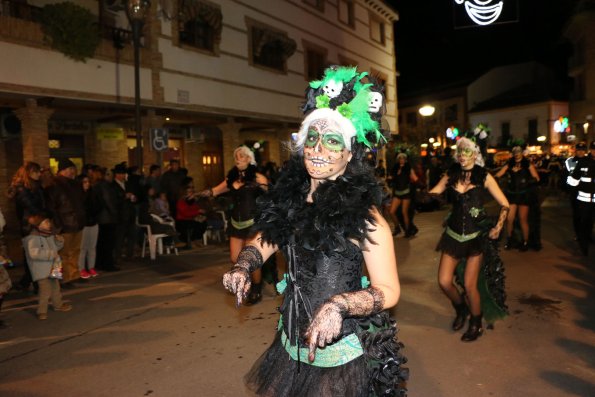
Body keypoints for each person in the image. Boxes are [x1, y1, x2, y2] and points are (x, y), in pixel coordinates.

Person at [223, 66, 407, 395]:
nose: (317, 149)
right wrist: (244, 264)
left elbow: (389, 290)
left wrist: (339, 305)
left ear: (351, 152)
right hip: (290, 340)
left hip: (342, 352)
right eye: (312, 137)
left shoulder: (367, 217)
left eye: (332, 140)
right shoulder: (291, 200)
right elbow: (269, 237)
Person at [430, 137, 509, 342]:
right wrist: (424, 196)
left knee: (469, 285)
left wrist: (498, 227)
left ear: (475, 155)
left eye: (466, 153)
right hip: (453, 236)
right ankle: (461, 309)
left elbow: (505, 204)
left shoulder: (484, 176)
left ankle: (476, 322)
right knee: (444, 281)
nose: (462, 157)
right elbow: (435, 192)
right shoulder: (452, 173)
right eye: (460, 153)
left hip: (475, 238)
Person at [200, 145, 268, 304]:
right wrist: (198, 194)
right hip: (235, 223)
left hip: (253, 223)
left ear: (249, 159)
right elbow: (215, 191)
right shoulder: (231, 178)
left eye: (242, 156)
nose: (238, 159)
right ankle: (248, 282)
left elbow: (271, 197)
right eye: (236, 156)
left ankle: (256, 289)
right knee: (235, 258)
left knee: (251, 258)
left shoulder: (258, 178)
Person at [45, 159, 86, 286]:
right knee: (63, 253)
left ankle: (74, 274)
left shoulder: (75, 184)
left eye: (73, 169)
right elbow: (52, 206)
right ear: (61, 170)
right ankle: (64, 278)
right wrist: (58, 224)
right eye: (69, 169)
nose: (72, 171)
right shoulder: (54, 185)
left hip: (77, 222)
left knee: (75, 250)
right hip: (65, 224)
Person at [22, 215, 73, 320]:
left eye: (48, 222)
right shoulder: (32, 238)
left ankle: (58, 305)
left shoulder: (49, 235)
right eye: (45, 222)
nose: (49, 224)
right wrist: (50, 254)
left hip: (54, 265)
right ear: (37, 226)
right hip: (42, 269)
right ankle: (41, 310)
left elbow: (57, 248)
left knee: (55, 287)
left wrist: (59, 241)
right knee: (45, 290)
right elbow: (34, 254)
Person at [7, 161, 47, 291]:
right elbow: (31, 206)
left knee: (34, 255)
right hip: (30, 225)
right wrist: (42, 218)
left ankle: (27, 281)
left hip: (37, 223)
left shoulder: (35, 186)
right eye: (37, 171)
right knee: (32, 255)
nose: (39, 174)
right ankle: (35, 284)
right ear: (29, 173)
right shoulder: (22, 188)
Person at [494, 146, 540, 251]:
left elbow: (537, 178)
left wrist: (529, 182)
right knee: (509, 219)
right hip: (512, 194)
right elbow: (499, 174)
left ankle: (525, 242)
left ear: (522, 153)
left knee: (523, 219)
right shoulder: (509, 163)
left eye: (518, 152)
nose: (517, 154)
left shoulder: (527, 163)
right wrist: (494, 179)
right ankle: (510, 240)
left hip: (524, 194)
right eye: (515, 152)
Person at [567, 141, 595, 256]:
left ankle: (587, 238)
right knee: (583, 221)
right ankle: (583, 245)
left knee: (590, 222)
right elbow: (573, 180)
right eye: (593, 149)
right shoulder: (583, 162)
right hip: (583, 199)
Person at [93, 166, 120, 272]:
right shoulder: (104, 186)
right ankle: (108, 264)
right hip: (107, 218)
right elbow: (108, 200)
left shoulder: (96, 185)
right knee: (108, 243)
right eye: (109, 174)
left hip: (101, 218)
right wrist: (115, 213)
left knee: (101, 243)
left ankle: (100, 263)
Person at [387, 152, 418, 237]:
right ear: (398, 159)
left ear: (405, 160)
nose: (402, 160)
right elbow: (390, 178)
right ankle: (397, 228)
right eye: (400, 158)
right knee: (391, 212)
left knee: (404, 212)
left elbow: (415, 179)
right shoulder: (395, 168)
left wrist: (412, 178)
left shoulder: (408, 168)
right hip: (397, 193)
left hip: (406, 193)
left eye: (403, 158)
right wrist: (390, 178)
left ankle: (407, 231)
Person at [77, 174, 101, 279]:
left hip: (93, 222)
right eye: (84, 182)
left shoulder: (93, 193)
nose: (87, 184)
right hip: (83, 224)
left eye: (88, 182)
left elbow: (99, 205)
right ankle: (81, 268)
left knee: (92, 247)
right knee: (82, 247)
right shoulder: (78, 195)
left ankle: (91, 267)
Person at [176, 181, 208, 248]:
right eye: (189, 192)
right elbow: (185, 213)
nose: (191, 194)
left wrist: (199, 214)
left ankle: (196, 239)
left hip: (191, 219)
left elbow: (196, 209)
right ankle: (192, 240)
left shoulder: (192, 201)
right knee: (197, 224)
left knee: (203, 222)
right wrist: (197, 212)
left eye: (191, 192)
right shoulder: (181, 201)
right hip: (182, 221)